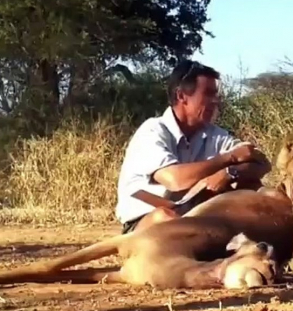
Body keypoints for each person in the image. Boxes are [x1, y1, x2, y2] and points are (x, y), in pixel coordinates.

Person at [114, 59, 271, 234]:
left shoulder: (213, 134)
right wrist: (229, 158)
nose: (215, 101)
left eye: (216, 94)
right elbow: (176, 181)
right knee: (166, 218)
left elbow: (261, 162)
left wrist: (230, 173)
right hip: (147, 222)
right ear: (181, 96)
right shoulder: (153, 131)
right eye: (208, 94)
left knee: (252, 185)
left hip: (193, 217)